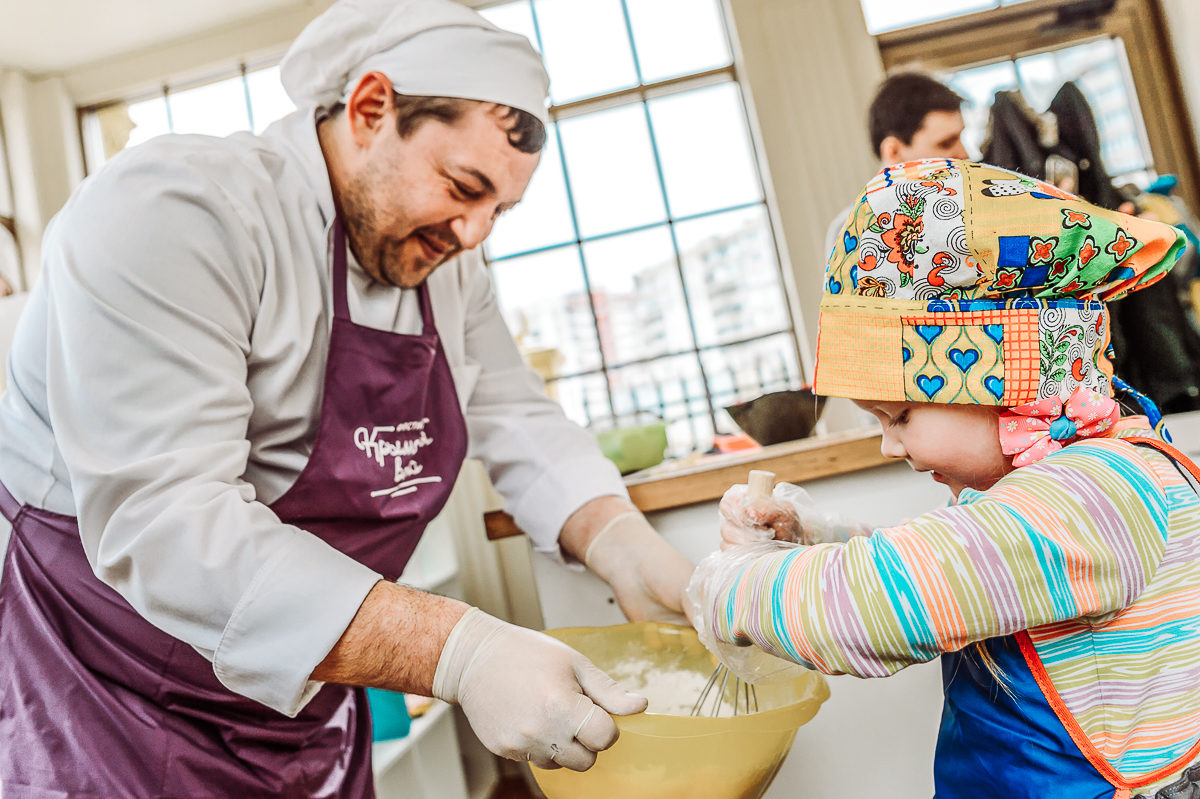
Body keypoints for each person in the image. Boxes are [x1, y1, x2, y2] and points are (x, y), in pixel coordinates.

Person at [0, 0, 696, 795]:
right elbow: (168, 524)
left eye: (498, 211)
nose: (473, 234)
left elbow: (516, 414)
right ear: (371, 108)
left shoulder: (444, 262)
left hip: (302, 694)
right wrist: (459, 652)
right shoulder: (179, 208)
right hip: (109, 685)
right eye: (462, 187)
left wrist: (630, 551)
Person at [690, 159, 1200, 796]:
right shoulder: (1064, 487)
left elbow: (882, 601)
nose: (887, 444)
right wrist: (816, 538)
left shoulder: (1096, 495)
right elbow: (954, 562)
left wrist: (735, 590)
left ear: (1001, 372)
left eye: (899, 415)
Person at [824, 71, 969, 259]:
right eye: (945, 143)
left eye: (960, 138)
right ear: (893, 151)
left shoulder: (966, 206)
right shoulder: (852, 230)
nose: (965, 154)